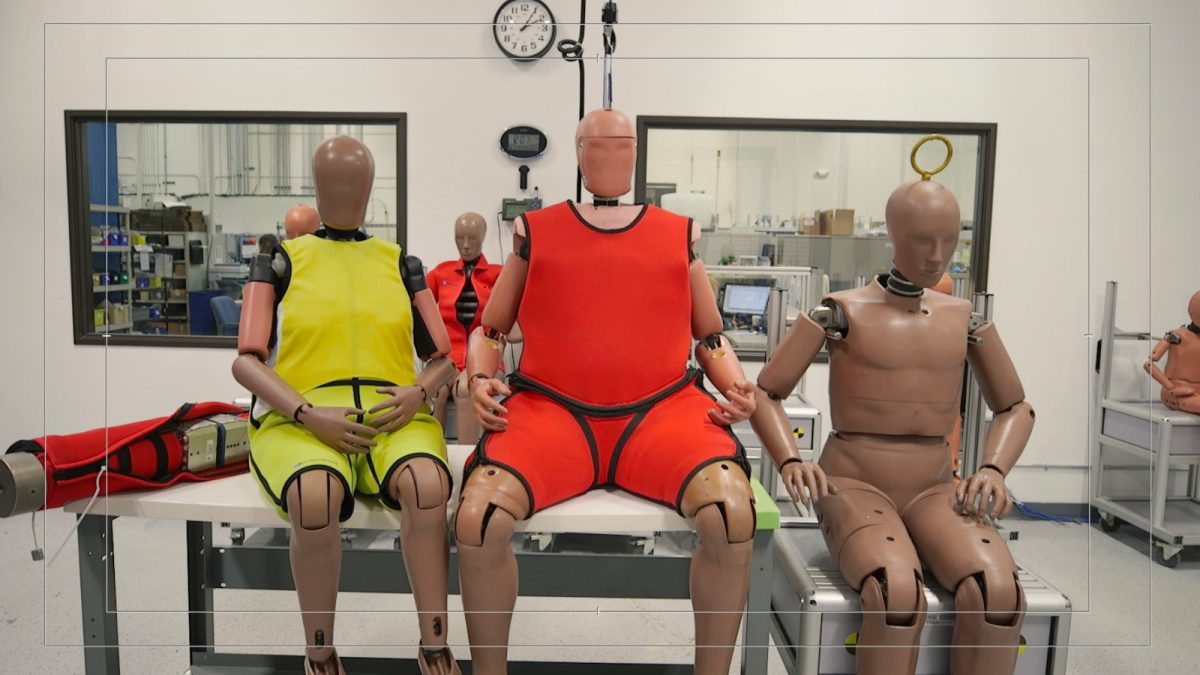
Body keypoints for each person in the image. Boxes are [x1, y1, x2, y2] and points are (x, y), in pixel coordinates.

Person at [459, 108, 758, 675]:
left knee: (730, 514)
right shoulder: (534, 231)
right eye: (597, 146)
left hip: (660, 414)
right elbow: (490, 331)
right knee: (478, 518)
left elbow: (710, 336)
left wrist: (736, 386)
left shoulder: (679, 233)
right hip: (553, 412)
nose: (610, 157)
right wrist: (478, 378)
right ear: (578, 155)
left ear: (636, 153)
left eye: (622, 145)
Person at [749, 162, 1033, 675]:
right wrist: (790, 459)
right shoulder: (840, 312)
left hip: (933, 485)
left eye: (949, 240)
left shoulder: (964, 320)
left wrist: (993, 469)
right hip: (854, 480)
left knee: (997, 592)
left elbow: (1015, 406)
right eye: (922, 240)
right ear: (894, 236)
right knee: (895, 591)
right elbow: (767, 392)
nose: (937, 255)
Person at [232, 136, 461, 675]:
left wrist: (418, 393)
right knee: (314, 497)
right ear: (317, 187)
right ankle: (320, 653)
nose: (346, 193)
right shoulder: (280, 262)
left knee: (428, 485)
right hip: (303, 418)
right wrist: (307, 415)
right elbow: (246, 361)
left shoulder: (399, 263)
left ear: (369, 188)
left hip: (393, 414)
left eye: (356, 182)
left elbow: (443, 359)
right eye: (335, 182)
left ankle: (435, 644)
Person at [426, 212, 503, 443]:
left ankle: (468, 454)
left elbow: (511, 318)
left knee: (463, 388)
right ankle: (431, 452)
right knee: (435, 389)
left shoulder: (498, 274)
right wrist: (427, 348)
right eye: (460, 238)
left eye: (472, 238)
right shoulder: (441, 273)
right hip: (447, 357)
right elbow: (418, 308)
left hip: (484, 359)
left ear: (483, 238)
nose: (466, 245)